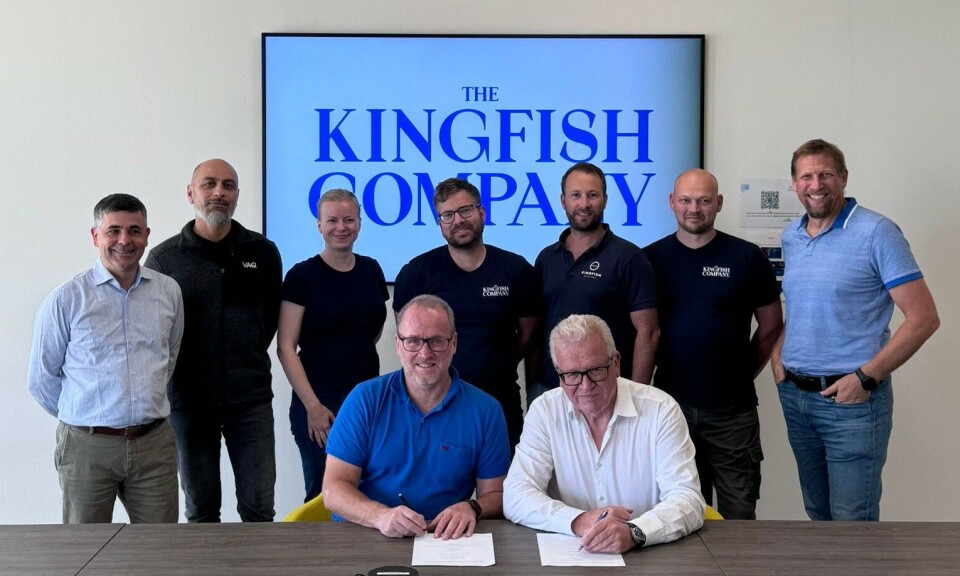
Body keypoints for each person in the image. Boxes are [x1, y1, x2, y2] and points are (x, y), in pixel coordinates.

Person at [771, 139, 939, 521]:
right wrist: (779, 349)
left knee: (852, 524)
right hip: (797, 400)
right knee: (818, 514)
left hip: (852, 405)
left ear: (843, 178)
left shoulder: (877, 231)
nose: (816, 184)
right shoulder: (792, 236)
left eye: (826, 174)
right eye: (807, 176)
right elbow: (802, 303)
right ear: (795, 184)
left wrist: (865, 377)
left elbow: (924, 318)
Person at [29, 194, 183, 523]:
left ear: (147, 235)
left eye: (134, 231)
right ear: (95, 236)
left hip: (153, 445)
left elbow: (167, 359)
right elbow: (42, 379)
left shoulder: (168, 292)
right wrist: (85, 415)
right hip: (88, 448)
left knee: (162, 552)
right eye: (113, 231)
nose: (124, 241)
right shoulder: (67, 299)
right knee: (86, 553)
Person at [144, 158, 282, 522]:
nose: (219, 192)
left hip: (250, 401)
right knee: (201, 510)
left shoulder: (263, 253)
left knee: (258, 507)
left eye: (228, 185)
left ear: (237, 195)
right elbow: (158, 332)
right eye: (209, 184)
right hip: (189, 405)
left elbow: (267, 321)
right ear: (191, 193)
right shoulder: (163, 258)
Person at [644, 169, 783, 520]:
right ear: (672, 202)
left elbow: (770, 327)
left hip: (733, 414)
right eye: (687, 200)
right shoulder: (648, 260)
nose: (695, 209)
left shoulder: (747, 258)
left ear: (718, 204)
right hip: (669, 409)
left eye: (704, 200)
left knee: (739, 514)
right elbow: (640, 332)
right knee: (679, 514)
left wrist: (739, 373)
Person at [504, 314, 704, 553]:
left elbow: (688, 499)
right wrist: (579, 520)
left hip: (648, 554)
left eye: (596, 370)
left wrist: (634, 531)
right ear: (559, 374)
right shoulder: (545, 411)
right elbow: (516, 495)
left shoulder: (660, 410)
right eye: (572, 375)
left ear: (616, 363)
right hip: (569, 555)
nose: (586, 387)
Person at [323, 294, 511, 540]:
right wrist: (380, 516)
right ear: (398, 345)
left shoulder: (486, 410)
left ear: (454, 343)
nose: (425, 353)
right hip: (365, 533)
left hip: (443, 540)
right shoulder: (364, 399)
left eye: (436, 341)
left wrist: (472, 507)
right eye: (412, 341)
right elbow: (333, 489)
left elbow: (496, 496)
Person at [393, 177, 539, 451]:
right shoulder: (417, 273)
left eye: (465, 210)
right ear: (439, 224)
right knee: (439, 490)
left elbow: (529, 331)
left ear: (481, 212)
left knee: (505, 489)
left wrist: (499, 361)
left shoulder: (515, 270)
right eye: (447, 215)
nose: (458, 220)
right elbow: (406, 339)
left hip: (500, 400)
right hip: (435, 404)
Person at [277, 189, 388, 502]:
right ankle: (320, 554)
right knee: (323, 494)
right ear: (319, 226)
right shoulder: (302, 276)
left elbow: (372, 330)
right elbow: (286, 347)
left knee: (369, 491)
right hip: (320, 403)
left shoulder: (371, 270)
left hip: (368, 399)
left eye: (349, 219)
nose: (341, 227)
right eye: (333, 220)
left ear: (359, 223)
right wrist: (313, 408)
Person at [532, 162, 658, 404]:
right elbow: (537, 329)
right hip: (552, 390)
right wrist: (533, 386)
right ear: (563, 201)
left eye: (593, 195)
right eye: (576, 195)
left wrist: (637, 395)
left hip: (607, 391)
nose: (584, 204)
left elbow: (649, 332)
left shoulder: (629, 258)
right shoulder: (546, 258)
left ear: (605, 200)